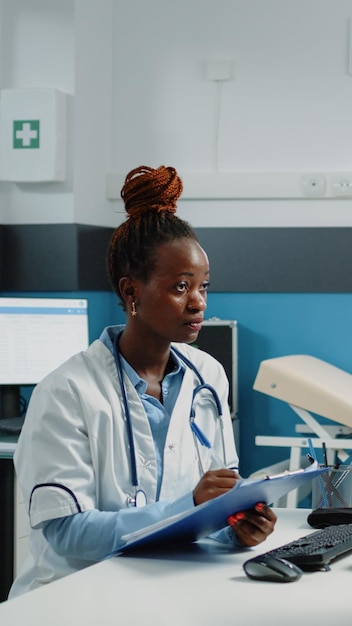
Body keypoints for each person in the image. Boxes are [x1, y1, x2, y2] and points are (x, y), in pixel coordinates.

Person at [9, 165, 276, 598]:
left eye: (204, 286)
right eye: (180, 287)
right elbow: (66, 533)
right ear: (131, 292)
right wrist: (186, 507)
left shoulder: (207, 376)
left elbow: (216, 505)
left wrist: (236, 529)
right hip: (73, 599)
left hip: (166, 591)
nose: (198, 302)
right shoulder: (68, 391)